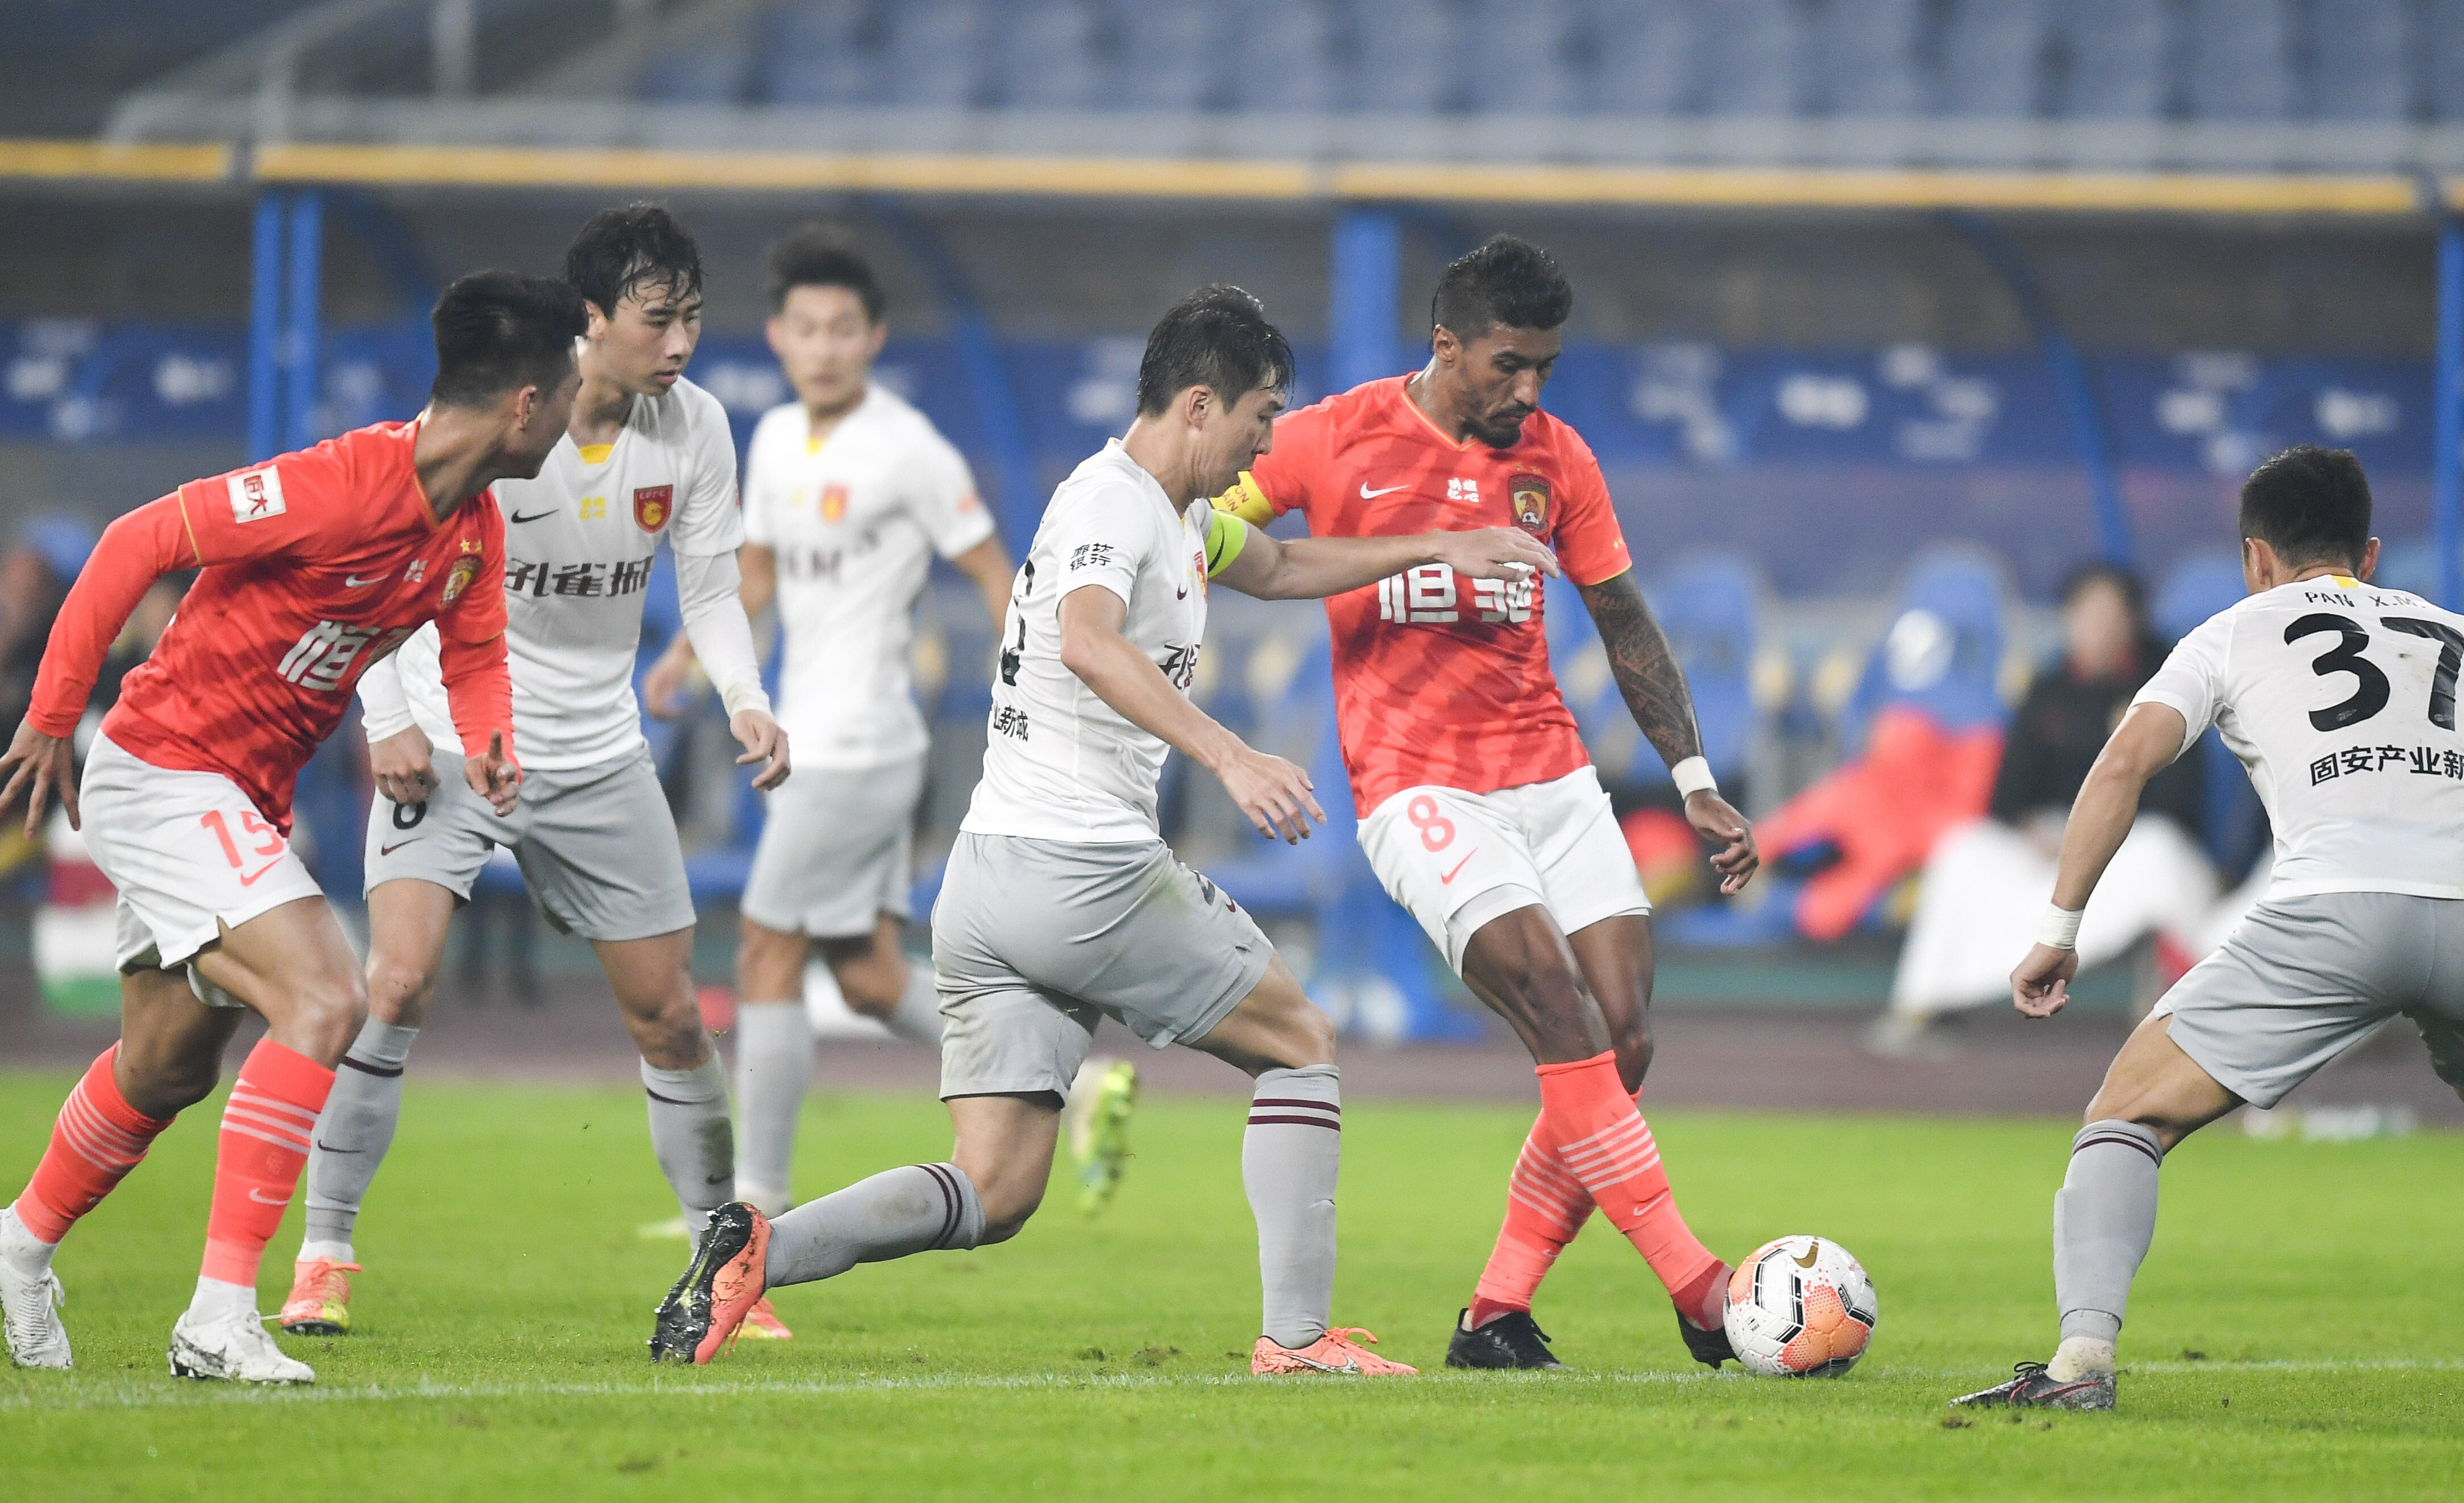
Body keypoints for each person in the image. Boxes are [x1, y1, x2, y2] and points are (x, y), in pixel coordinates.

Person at [645, 285, 1557, 1376]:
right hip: (1081, 867)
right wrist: (1229, 752)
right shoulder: (1110, 502)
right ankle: (1299, 1338)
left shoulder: (1178, 515)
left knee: (995, 1185)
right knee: (1302, 1044)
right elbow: (1086, 640)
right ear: (1197, 404)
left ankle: (759, 1246)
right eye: (1260, 416)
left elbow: (1276, 565)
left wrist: (1438, 547)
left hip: (988, 883)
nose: (1266, 442)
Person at [0, 270, 579, 1382]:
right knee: (327, 993)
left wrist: (492, 734)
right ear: (522, 404)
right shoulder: (340, 484)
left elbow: (475, 651)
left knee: (165, 1066)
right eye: (563, 397)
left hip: (237, 795)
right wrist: (52, 711)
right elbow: (136, 539)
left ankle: (19, 1241)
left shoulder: (470, 526)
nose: (570, 420)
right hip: (166, 766)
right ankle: (221, 1315)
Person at [1214, 234, 1759, 1371]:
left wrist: (1695, 782)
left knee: (1621, 1038)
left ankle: (1494, 1312)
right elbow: (1209, 524)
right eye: (1508, 365)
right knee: (1556, 1007)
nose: (1528, 391)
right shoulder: (1333, 438)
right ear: (1445, 344)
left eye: (1545, 368)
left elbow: (1625, 622)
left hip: (1553, 778)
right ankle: (1701, 1288)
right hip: (1417, 786)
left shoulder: (1558, 459)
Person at [275, 206, 789, 1343]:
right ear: (593, 319)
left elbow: (708, 587)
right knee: (395, 983)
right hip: (455, 737)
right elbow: (391, 564)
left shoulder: (695, 424)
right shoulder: (505, 415)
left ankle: (720, 1266)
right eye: (659, 318)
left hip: (601, 751)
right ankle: (323, 1254)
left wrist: (745, 699)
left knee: (667, 1013)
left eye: (695, 316)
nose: (683, 342)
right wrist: (388, 715)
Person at [1953, 446, 2464, 1411]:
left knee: (2123, 1114)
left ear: (2253, 559)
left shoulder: (2228, 632)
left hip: (2335, 909)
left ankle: (2077, 1367)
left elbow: (2118, 765)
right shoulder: (2450, 632)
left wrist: (2059, 927)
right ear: (2369, 550)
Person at [637, 229, 1067, 1223]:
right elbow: (755, 574)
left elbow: (992, 570)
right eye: (804, 328)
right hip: (814, 738)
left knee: (762, 948)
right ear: (779, 337)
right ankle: (1059, 1080)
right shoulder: (779, 434)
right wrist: (685, 653)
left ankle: (751, 1208)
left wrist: (1037, 686)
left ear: (872, 337)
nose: (822, 346)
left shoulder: (908, 446)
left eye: (842, 328)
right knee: (869, 976)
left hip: (862, 741)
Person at [1870, 563, 2214, 1055]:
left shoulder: (2166, 690)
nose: (2096, 626)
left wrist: (2097, 828)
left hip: (2128, 846)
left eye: (2109, 614)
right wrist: (2033, 829)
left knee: (2159, 854)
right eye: (2085, 614)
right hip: (2049, 846)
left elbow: (2182, 802)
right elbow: (2008, 795)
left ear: (2132, 622)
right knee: (1963, 849)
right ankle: (1924, 1008)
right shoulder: (2047, 689)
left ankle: (2188, 1015)